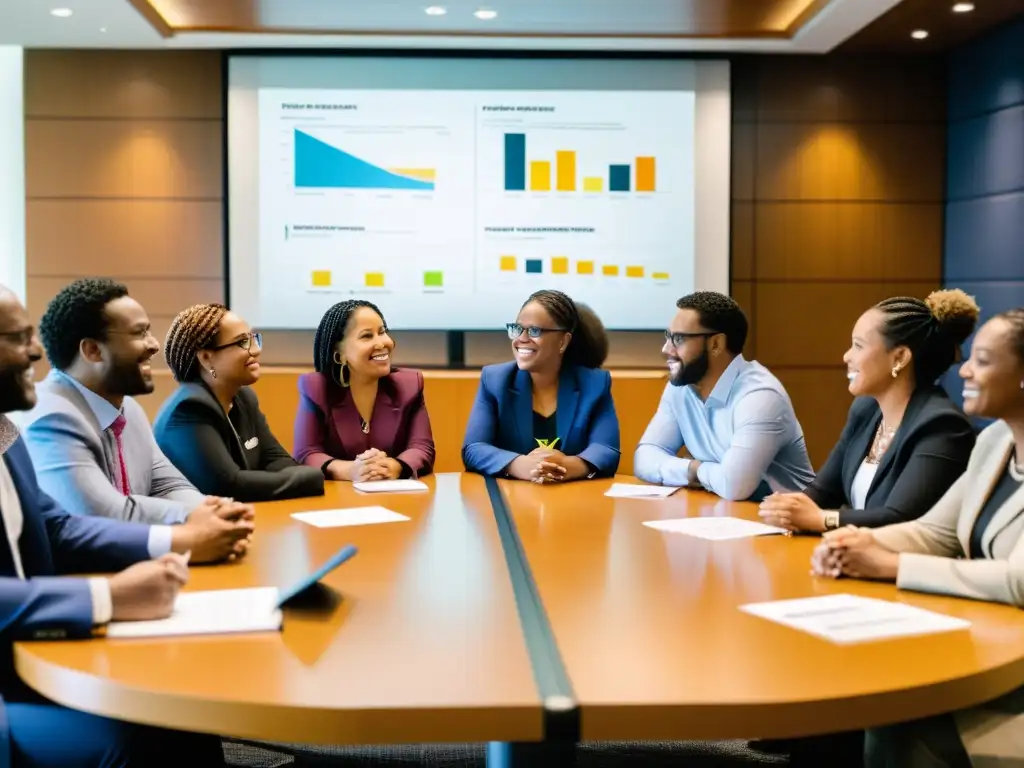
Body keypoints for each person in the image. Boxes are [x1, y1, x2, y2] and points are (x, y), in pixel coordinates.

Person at [0, 285, 233, 765]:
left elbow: (59, 527)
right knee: (140, 740)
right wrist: (110, 598)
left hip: (32, 651)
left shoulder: (5, 432)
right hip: (8, 687)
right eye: (18, 337)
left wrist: (176, 539)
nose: (38, 351)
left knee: (182, 710)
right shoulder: (48, 416)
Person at [812, 308, 1024, 767]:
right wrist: (851, 545)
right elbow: (935, 531)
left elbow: (1018, 580)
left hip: (1013, 678)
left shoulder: (946, 424)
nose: (964, 368)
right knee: (882, 706)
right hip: (990, 643)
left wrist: (891, 564)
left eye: (983, 361)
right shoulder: (993, 444)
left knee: (892, 712)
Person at [17, 279, 253, 562]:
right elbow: (102, 516)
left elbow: (168, 486)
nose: (154, 345)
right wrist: (195, 520)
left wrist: (216, 516)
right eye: (139, 333)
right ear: (92, 351)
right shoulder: (51, 416)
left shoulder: (128, 407)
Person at [759, 290, 979, 534]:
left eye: (858, 346)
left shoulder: (943, 426)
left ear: (899, 357)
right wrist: (787, 509)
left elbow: (901, 519)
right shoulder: (866, 410)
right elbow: (823, 492)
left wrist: (822, 519)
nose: (846, 356)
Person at [634, 291, 813, 501]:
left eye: (679, 339)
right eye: (668, 337)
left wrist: (696, 471)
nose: (666, 349)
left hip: (788, 524)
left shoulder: (760, 397)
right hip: (726, 514)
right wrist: (694, 469)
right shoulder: (680, 388)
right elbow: (644, 458)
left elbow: (734, 486)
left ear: (716, 344)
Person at [155, 303, 324, 502]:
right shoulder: (190, 408)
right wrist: (311, 477)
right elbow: (228, 485)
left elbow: (277, 460)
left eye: (254, 339)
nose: (256, 350)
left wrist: (299, 476)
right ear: (207, 357)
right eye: (242, 342)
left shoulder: (243, 398)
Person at [462, 290, 620, 482]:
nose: (521, 338)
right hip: (511, 499)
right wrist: (520, 464)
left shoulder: (594, 384)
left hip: (573, 499)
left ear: (563, 341)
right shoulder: (496, 380)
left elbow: (606, 450)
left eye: (534, 331)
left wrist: (566, 466)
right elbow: (474, 448)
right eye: (517, 329)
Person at [293, 300, 435, 482]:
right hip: (338, 501)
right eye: (367, 336)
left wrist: (395, 466)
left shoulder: (409, 386)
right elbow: (306, 453)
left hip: (396, 498)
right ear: (340, 353)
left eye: (382, 332)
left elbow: (423, 447)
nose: (382, 342)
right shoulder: (316, 388)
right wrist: (350, 470)